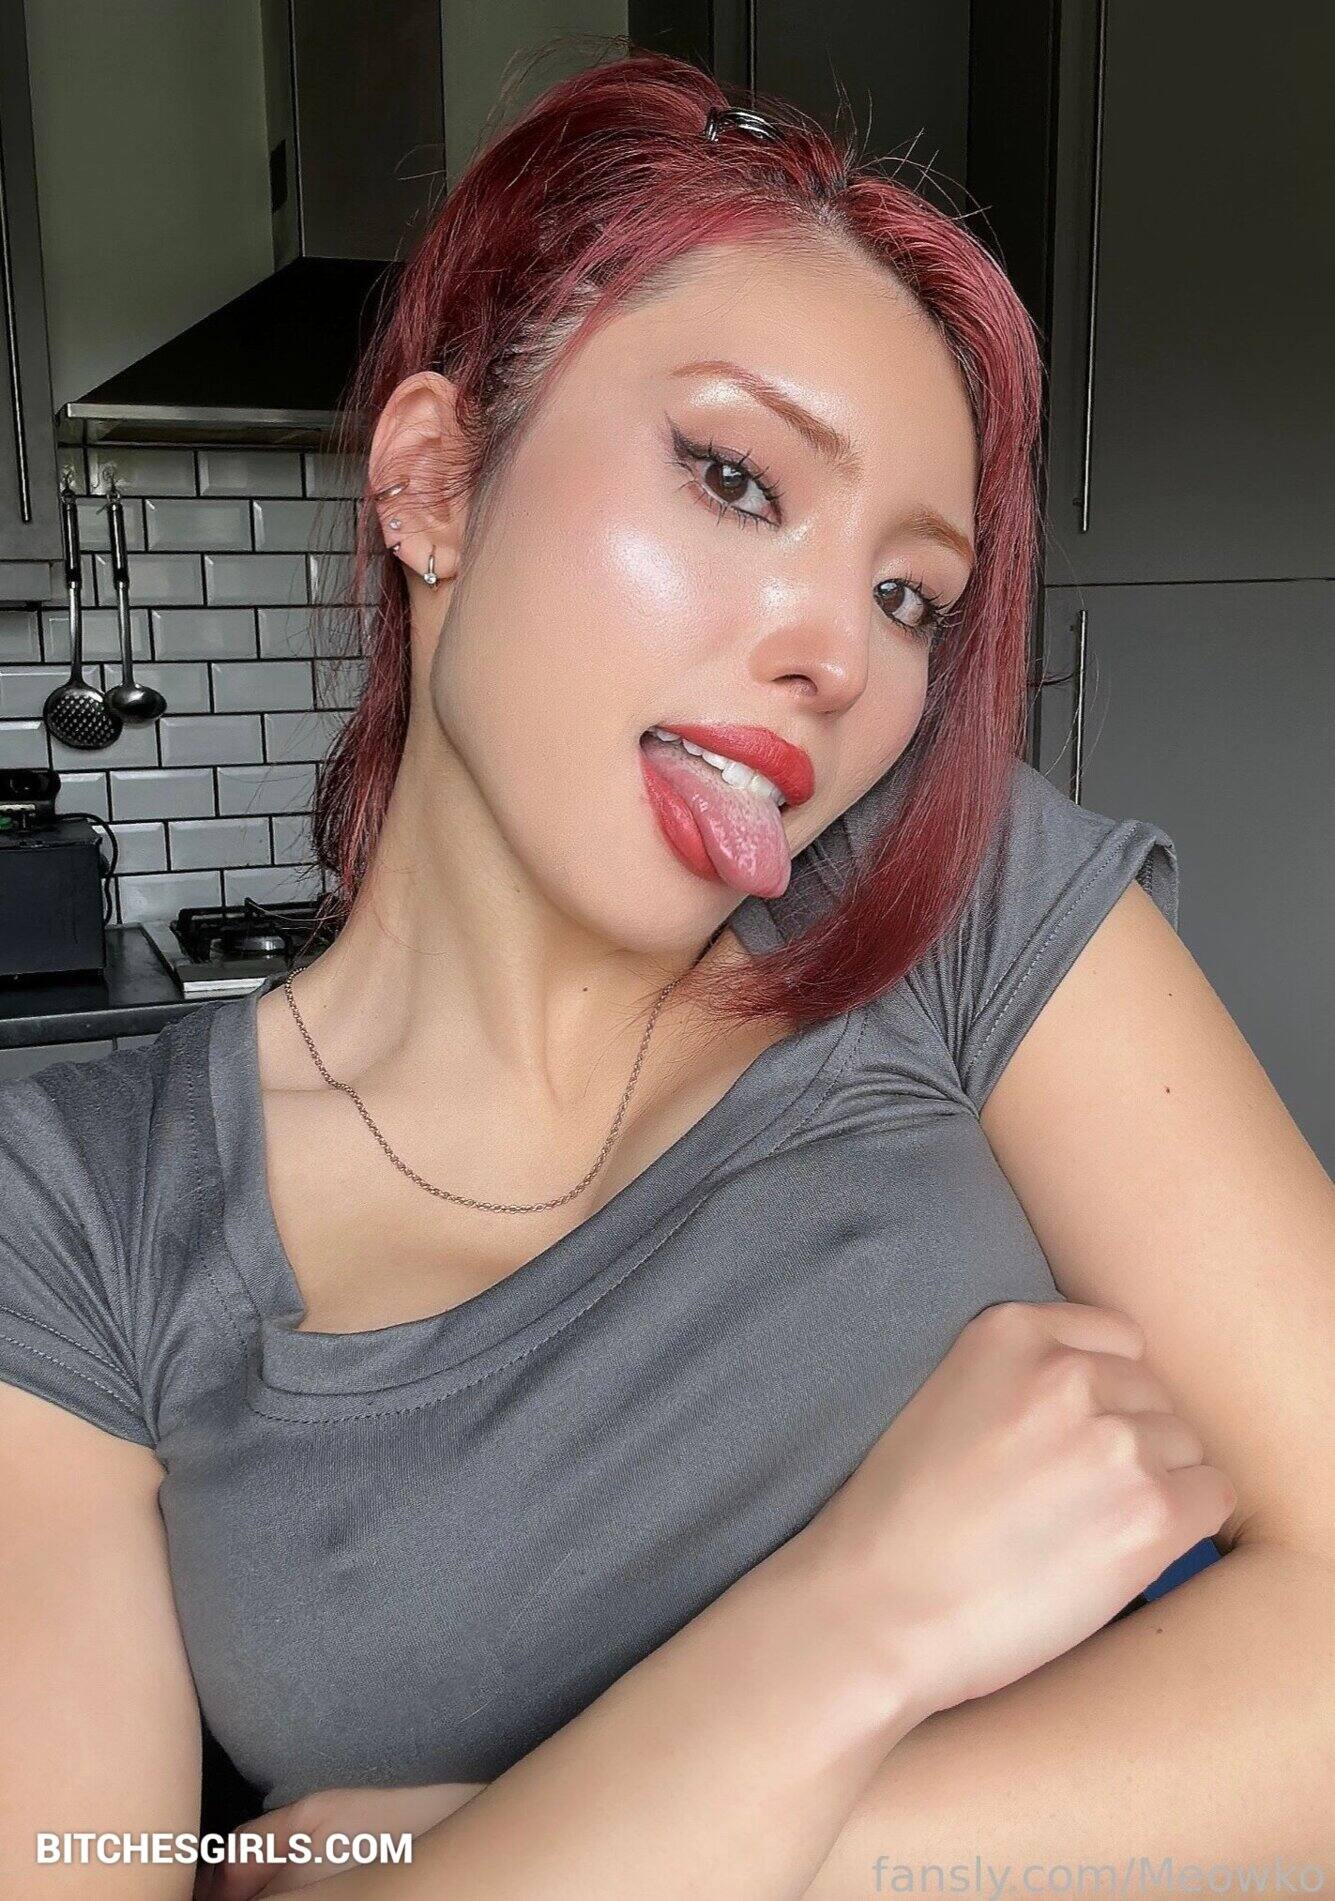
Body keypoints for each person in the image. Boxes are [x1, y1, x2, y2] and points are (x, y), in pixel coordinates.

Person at [3, 47, 1331, 1901]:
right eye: (733, 476)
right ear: (433, 480)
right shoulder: (75, 1207)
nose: (840, 656)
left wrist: (500, 1846)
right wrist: (852, 1620)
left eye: (909, 594)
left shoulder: (948, 897)